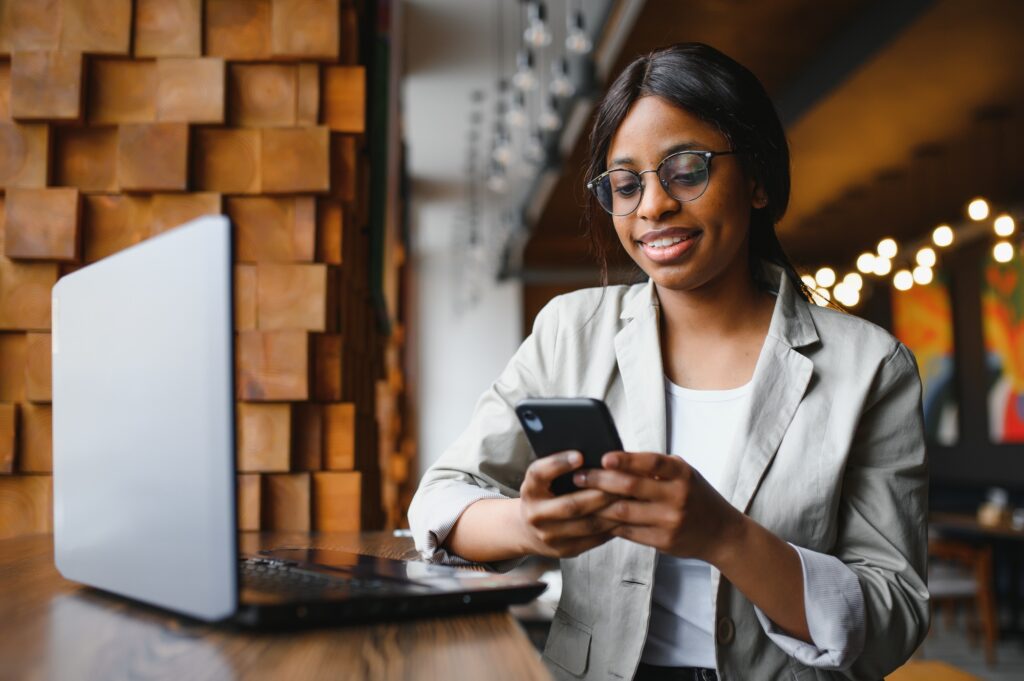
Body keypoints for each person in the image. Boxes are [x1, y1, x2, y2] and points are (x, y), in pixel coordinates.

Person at [408, 43, 929, 681]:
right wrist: (530, 525)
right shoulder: (570, 331)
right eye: (625, 185)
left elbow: (895, 612)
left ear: (759, 179)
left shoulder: (872, 368)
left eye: (686, 171)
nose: (651, 206)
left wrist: (727, 538)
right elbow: (441, 499)